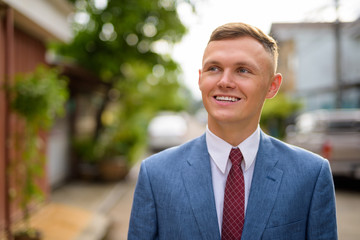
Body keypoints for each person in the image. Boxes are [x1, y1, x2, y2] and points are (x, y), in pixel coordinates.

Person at [128, 22, 337, 240]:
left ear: (272, 86)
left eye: (243, 70)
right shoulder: (155, 175)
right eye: (214, 68)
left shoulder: (311, 175)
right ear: (200, 78)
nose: (225, 81)